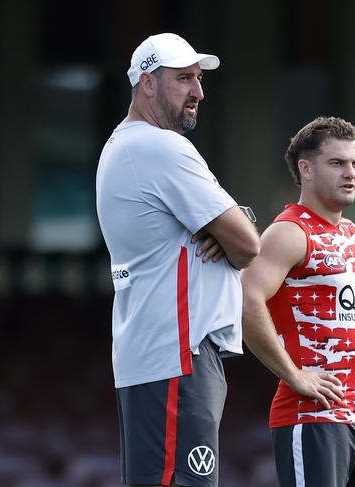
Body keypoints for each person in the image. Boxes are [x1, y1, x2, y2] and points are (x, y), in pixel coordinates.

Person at [95, 33, 260, 487]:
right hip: (177, 354)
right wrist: (230, 228)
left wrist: (227, 225)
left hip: (159, 354)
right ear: (147, 83)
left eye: (199, 79)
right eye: (184, 78)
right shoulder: (160, 147)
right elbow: (247, 246)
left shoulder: (125, 145)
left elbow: (236, 232)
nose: (199, 92)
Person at [241, 116, 355, 486]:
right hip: (309, 418)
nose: (350, 173)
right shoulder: (289, 232)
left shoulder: (354, 236)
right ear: (306, 169)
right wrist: (293, 375)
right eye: (336, 163)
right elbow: (245, 299)